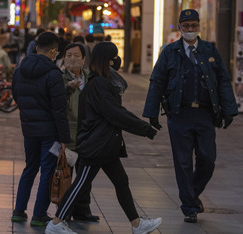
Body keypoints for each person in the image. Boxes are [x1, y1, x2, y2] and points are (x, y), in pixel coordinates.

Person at [46, 42, 161, 234]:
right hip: (96, 145)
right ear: (106, 59)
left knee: (121, 181)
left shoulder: (100, 81)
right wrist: (144, 129)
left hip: (105, 143)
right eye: (113, 57)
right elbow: (115, 112)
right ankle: (56, 223)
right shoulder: (99, 83)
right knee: (81, 184)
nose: (116, 60)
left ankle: (137, 224)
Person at [142, 9, 238, 223]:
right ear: (179, 28)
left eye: (194, 26)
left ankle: (192, 195)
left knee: (208, 160)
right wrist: (152, 113)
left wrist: (229, 109)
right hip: (179, 114)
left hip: (205, 114)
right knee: (183, 162)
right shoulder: (170, 52)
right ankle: (189, 207)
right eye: (186, 26)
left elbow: (223, 79)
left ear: (199, 26)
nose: (190, 30)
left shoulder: (209, 50)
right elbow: (157, 81)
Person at [11, 32, 70, 227]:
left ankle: (19, 211)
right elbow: (59, 109)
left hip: (28, 128)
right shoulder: (54, 74)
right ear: (53, 51)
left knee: (30, 167)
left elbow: (17, 97)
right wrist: (65, 138)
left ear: (36, 48)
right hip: (49, 131)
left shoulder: (19, 70)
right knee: (47, 171)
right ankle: (38, 215)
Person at [61, 43, 98, 222]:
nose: (72, 59)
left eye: (76, 55)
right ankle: (64, 211)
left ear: (84, 60)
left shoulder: (91, 78)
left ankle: (83, 210)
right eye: (68, 55)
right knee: (65, 175)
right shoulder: (58, 78)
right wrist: (67, 88)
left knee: (85, 177)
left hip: (87, 134)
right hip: (67, 135)